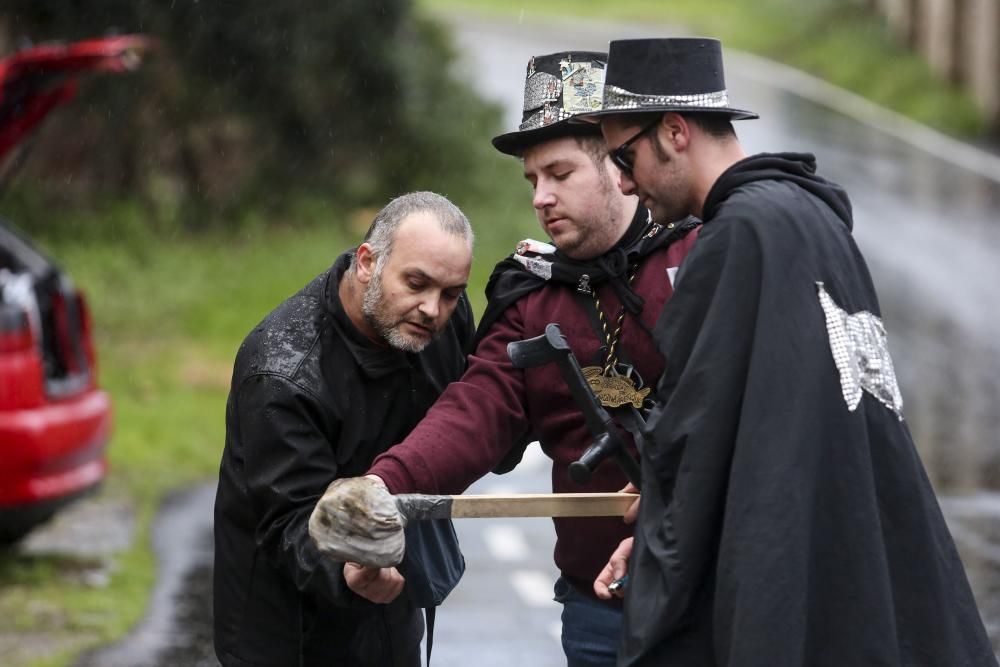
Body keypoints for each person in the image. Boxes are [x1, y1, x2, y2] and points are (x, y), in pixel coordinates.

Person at [588, 37, 996, 666]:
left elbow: (695, 444)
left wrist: (657, 554)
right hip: (859, 554)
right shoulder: (814, 217)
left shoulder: (735, 239)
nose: (621, 180)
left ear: (673, 130)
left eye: (624, 154)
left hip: (791, 575)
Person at [347, 51, 700, 666]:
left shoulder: (702, 257)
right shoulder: (531, 292)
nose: (541, 196)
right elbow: (478, 410)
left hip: (712, 595)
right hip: (597, 613)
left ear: (618, 164)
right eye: (533, 180)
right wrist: (384, 486)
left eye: (559, 174)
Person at [212, 191, 475, 667]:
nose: (432, 309)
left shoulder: (440, 323)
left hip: (391, 601)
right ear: (367, 262)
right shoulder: (281, 373)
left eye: (451, 293)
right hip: (285, 631)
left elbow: (478, 417)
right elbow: (289, 524)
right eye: (416, 283)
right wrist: (348, 568)